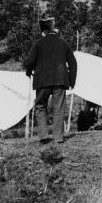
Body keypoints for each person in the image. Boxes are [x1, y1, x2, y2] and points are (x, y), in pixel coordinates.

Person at [25, 15, 77, 144]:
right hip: (60, 81)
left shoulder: (38, 44)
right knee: (58, 108)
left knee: (40, 106)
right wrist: (71, 81)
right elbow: (73, 64)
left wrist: (28, 71)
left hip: (42, 81)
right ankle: (58, 137)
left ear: (43, 32)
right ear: (54, 31)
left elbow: (30, 61)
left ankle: (43, 136)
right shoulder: (63, 43)